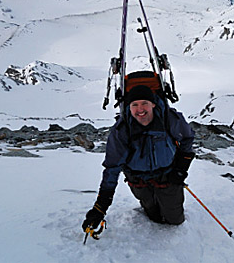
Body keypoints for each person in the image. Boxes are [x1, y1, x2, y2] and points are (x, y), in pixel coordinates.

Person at [82, 83, 195, 232]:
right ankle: (152, 207)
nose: (140, 109)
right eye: (134, 104)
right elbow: (112, 168)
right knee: (152, 214)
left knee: (175, 220)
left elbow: (187, 138)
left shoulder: (170, 119)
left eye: (144, 103)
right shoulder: (121, 130)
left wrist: (181, 168)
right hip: (138, 180)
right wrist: (100, 207)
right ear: (129, 107)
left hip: (168, 176)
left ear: (153, 104)